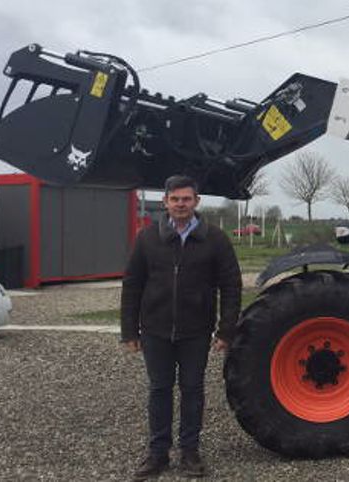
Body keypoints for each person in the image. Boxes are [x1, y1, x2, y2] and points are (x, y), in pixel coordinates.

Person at [121, 175, 242, 479]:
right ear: (165, 202)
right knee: (159, 390)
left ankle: (190, 452)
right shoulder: (147, 239)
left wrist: (226, 330)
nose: (181, 204)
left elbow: (231, 286)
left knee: (192, 390)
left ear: (197, 202)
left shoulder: (215, 239)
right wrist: (129, 331)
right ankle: (158, 453)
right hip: (155, 330)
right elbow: (132, 285)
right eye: (175, 199)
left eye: (187, 199)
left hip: (196, 331)